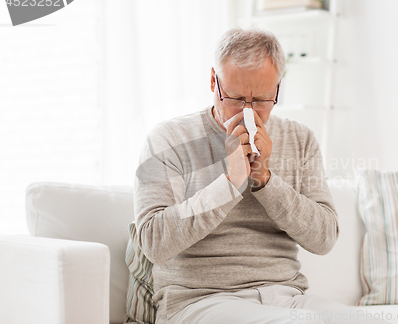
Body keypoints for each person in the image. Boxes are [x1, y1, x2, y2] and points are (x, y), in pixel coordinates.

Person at [134, 27, 347, 324]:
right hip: (200, 301)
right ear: (213, 81)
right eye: (234, 98)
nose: (248, 113)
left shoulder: (300, 139)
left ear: (278, 89)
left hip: (287, 296)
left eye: (261, 100)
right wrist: (230, 182)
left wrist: (266, 181)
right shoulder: (169, 139)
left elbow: (324, 239)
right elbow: (154, 243)